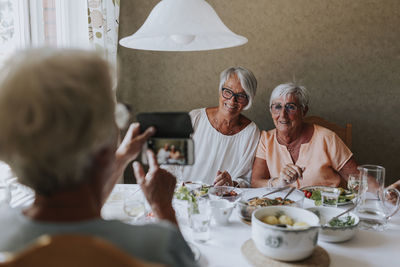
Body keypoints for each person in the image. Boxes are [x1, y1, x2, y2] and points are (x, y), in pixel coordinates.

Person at [0, 49, 197, 267]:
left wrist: (120, 157)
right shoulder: (155, 245)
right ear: (103, 151)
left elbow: (71, 211)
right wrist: (163, 209)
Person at [251, 83, 358, 188]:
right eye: (277, 107)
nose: (283, 115)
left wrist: (375, 193)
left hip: (324, 204)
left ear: (304, 111)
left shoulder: (327, 138)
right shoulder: (266, 139)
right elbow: (255, 183)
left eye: (290, 107)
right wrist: (277, 183)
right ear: (271, 111)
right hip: (284, 205)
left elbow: (358, 180)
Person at [168, 67, 260, 187]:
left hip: (222, 199)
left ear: (248, 100)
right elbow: (169, 162)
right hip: (183, 194)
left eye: (241, 96)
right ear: (220, 91)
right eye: (228, 91)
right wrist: (179, 185)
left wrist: (231, 183)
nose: (232, 101)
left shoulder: (251, 132)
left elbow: (246, 180)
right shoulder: (194, 117)